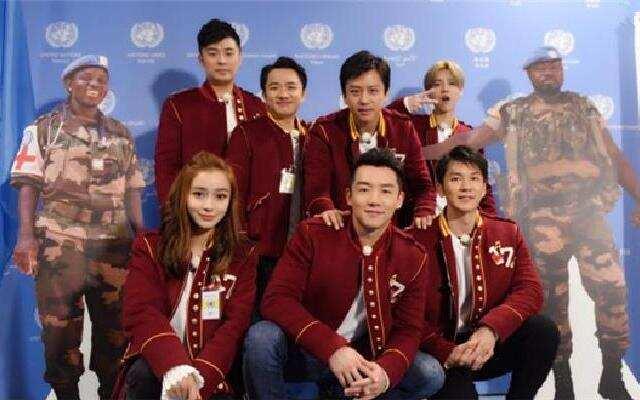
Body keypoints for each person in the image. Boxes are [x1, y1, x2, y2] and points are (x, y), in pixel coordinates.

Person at [422, 46, 640, 400]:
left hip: (587, 215)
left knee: (613, 290)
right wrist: (411, 154)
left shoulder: (584, 108)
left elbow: (614, 157)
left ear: (562, 69)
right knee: (551, 304)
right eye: (540, 68)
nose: (548, 72)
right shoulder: (512, 112)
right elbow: (468, 140)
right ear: (529, 74)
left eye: (554, 66)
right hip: (540, 220)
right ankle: (563, 382)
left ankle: (611, 374)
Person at [243, 148, 444, 400]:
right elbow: (276, 300)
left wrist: (384, 374)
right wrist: (333, 349)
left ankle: (352, 393)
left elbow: (409, 330)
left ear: (399, 200)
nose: (374, 200)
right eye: (364, 189)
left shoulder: (413, 254)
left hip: (365, 357)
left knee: (430, 373)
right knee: (262, 338)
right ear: (348, 196)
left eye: (385, 191)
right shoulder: (313, 233)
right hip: (306, 350)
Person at [10, 55, 145, 399]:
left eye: (101, 79)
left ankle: (111, 394)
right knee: (59, 336)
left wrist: (141, 236)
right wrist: (25, 237)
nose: (94, 85)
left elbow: (133, 189)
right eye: (86, 78)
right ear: (69, 84)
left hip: (113, 246)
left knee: (116, 336)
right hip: (60, 243)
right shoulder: (44, 129)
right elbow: (28, 184)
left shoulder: (120, 133)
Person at [409, 146, 558, 399]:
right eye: (456, 179)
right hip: (440, 348)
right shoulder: (414, 241)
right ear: (440, 188)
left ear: (484, 188)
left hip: (487, 342)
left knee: (542, 331)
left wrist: (491, 329)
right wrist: (445, 350)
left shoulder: (508, 233)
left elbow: (530, 290)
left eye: (474, 178)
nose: (466, 187)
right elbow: (403, 313)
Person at [116, 152, 257, 400]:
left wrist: (198, 381)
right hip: (157, 371)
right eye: (199, 194)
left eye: (220, 196)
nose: (209, 206)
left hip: (212, 379)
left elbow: (233, 329)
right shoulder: (150, 247)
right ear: (183, 195)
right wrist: (177, 368)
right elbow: (142, 313)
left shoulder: (243, 256)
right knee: (143, 373)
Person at [304, 50, 433, 230]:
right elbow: (317, 190)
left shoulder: (403, 127)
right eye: (355, 92)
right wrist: (326, 210)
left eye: (372, 91)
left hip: (391, 231)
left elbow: (423, 185)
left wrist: (424, 210)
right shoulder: (324, 130)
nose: (364, 100)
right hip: (340, 230)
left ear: (386, 93)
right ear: (344, 95)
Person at [226, 56, 308, 311]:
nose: (283, 94)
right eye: (274, 87)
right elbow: (234, 192)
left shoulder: (314, 135)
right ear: (263, 95)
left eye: (291, 87)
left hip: (304, 249)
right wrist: (241, 241)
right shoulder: (246, 133)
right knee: (259, 319)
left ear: (303, 94)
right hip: (260, 250)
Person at [155, 18, 266, 204]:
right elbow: (166, 167)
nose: (222, 60)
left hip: (245, 212)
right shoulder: (178, 105)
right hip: (196, 209)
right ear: (201, 59)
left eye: (229, 53)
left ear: (240, 57)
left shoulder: (256, 105)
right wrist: (174, 211)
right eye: (213, 53)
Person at [387, 59, 496, 216]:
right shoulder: (413, 127)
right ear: (428, 91)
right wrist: (406, 103)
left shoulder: (469, 135)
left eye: (452, 83)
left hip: (459, 218)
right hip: (420, 217)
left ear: (460, 90)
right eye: (437, 84)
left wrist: (490, 222)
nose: (445, 89)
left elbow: (482, 185)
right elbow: (383, 119)